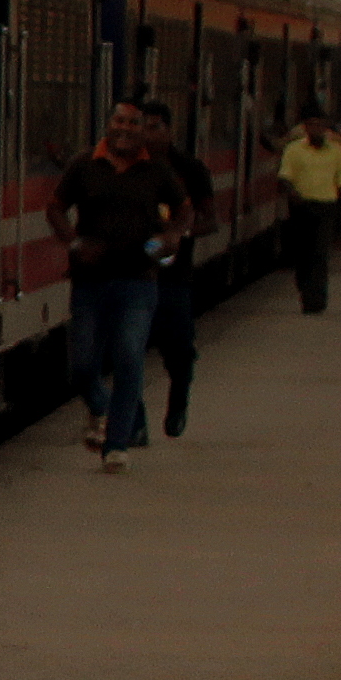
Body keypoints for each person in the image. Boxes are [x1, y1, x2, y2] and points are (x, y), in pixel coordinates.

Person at [52, 98, 192, 464]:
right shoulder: (83, 166)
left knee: (129, 355)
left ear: (144, 131)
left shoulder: (157, 171)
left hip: (138, 279)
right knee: (82, 366)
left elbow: (185, 210)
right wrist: (74, 241)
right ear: (108, 125)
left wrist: (173, 235)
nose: (126, 129)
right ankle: (100, 406)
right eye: (120, 121)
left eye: (135, 124)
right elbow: (54, 208)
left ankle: (117, 445)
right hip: (90, 281)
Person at [138, 95, 213, 437]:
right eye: (143, 127)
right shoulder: (128, 170)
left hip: (174, 276)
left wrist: (178, 234)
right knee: (129, 350)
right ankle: (134, 424)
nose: (148, 135)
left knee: (180, 347)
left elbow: (209, 219)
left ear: (169, 130)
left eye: (155, 128)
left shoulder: (190, 170)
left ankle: (179, 399)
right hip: (134, 274)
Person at [274, 108, 341, 316]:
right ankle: (304, 288)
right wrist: (293, 194)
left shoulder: (337, 151)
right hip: (301, 207)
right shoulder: (293, 150)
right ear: (305, 128)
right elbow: (285, 177)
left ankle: (316, 299)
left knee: (320, 253)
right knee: (303, 253)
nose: (316, 129)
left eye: (320, 125)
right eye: (312, 125)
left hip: (326, 207)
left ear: (326, 128)